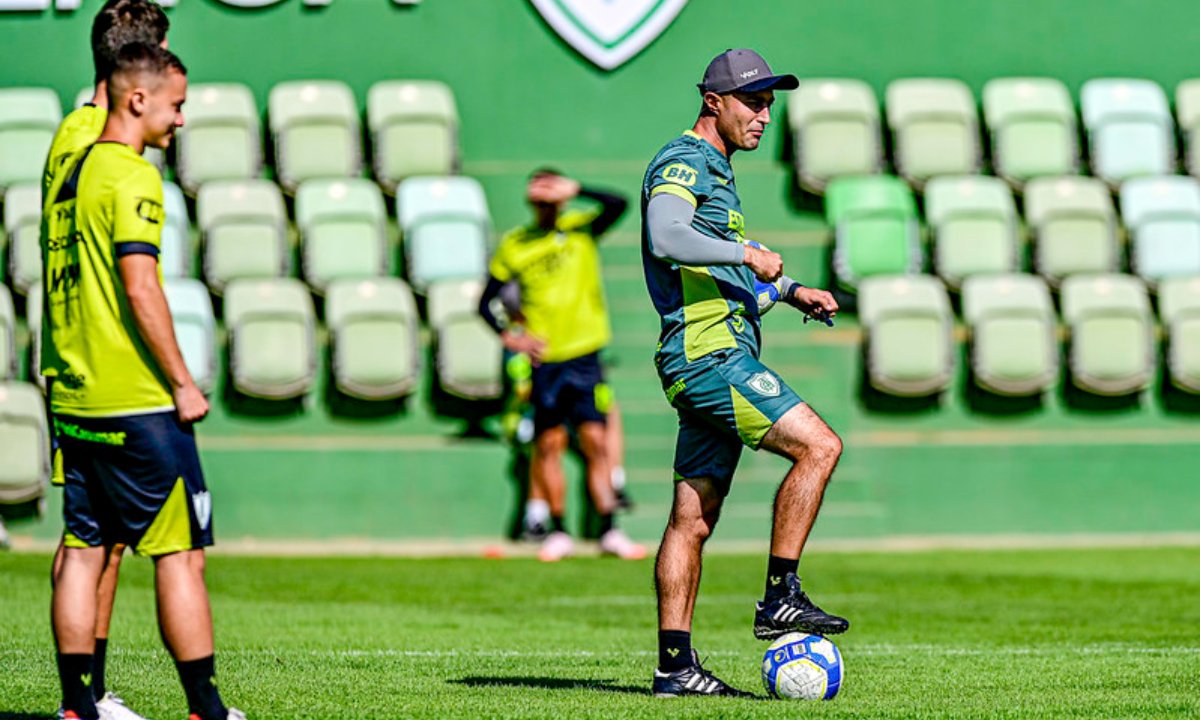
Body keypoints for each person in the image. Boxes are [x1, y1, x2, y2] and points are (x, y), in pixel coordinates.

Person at [640, 49, 849, 697]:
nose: (764, 116)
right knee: (819, 445)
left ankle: (674, 668)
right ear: (713, 102)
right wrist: (746, 251)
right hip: (709, 356)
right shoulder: (686, 160)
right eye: (752, 103)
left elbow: (720, 280)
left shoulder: (720, 171)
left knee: (692, 519)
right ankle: (780, 596)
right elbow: (665, 234)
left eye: (769, 105)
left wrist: (788, 291)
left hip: (703, 350)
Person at [43, 43, 243, 720]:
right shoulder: (131, 176)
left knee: (82, 548)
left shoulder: (70, 168)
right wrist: (183, 382)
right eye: (177, 104)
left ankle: (78, 706)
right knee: (180, 556)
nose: (181, 119)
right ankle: (207, 710)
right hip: (136, 401)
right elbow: (140, 286)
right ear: (138, 99)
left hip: (74, 395)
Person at [41, 3, 170, 719]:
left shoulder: (69, 132)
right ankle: (84, 698)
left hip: (68, 354)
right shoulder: (108, 149)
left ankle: (82, 696)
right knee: (98, 540)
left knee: (93, 537)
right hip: (102, 363)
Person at [479, 169, 644, 561]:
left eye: (553, 198)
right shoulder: (515, 244)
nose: (547, 206)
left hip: (585, 352)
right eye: (540, 199)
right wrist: (511, 336)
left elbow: (619, 203)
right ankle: (558, 530)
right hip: (546, 360)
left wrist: (580, 187)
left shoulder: (581, 231)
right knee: (549, 444)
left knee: (595, 442)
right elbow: (484, 303)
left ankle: (608, 530)